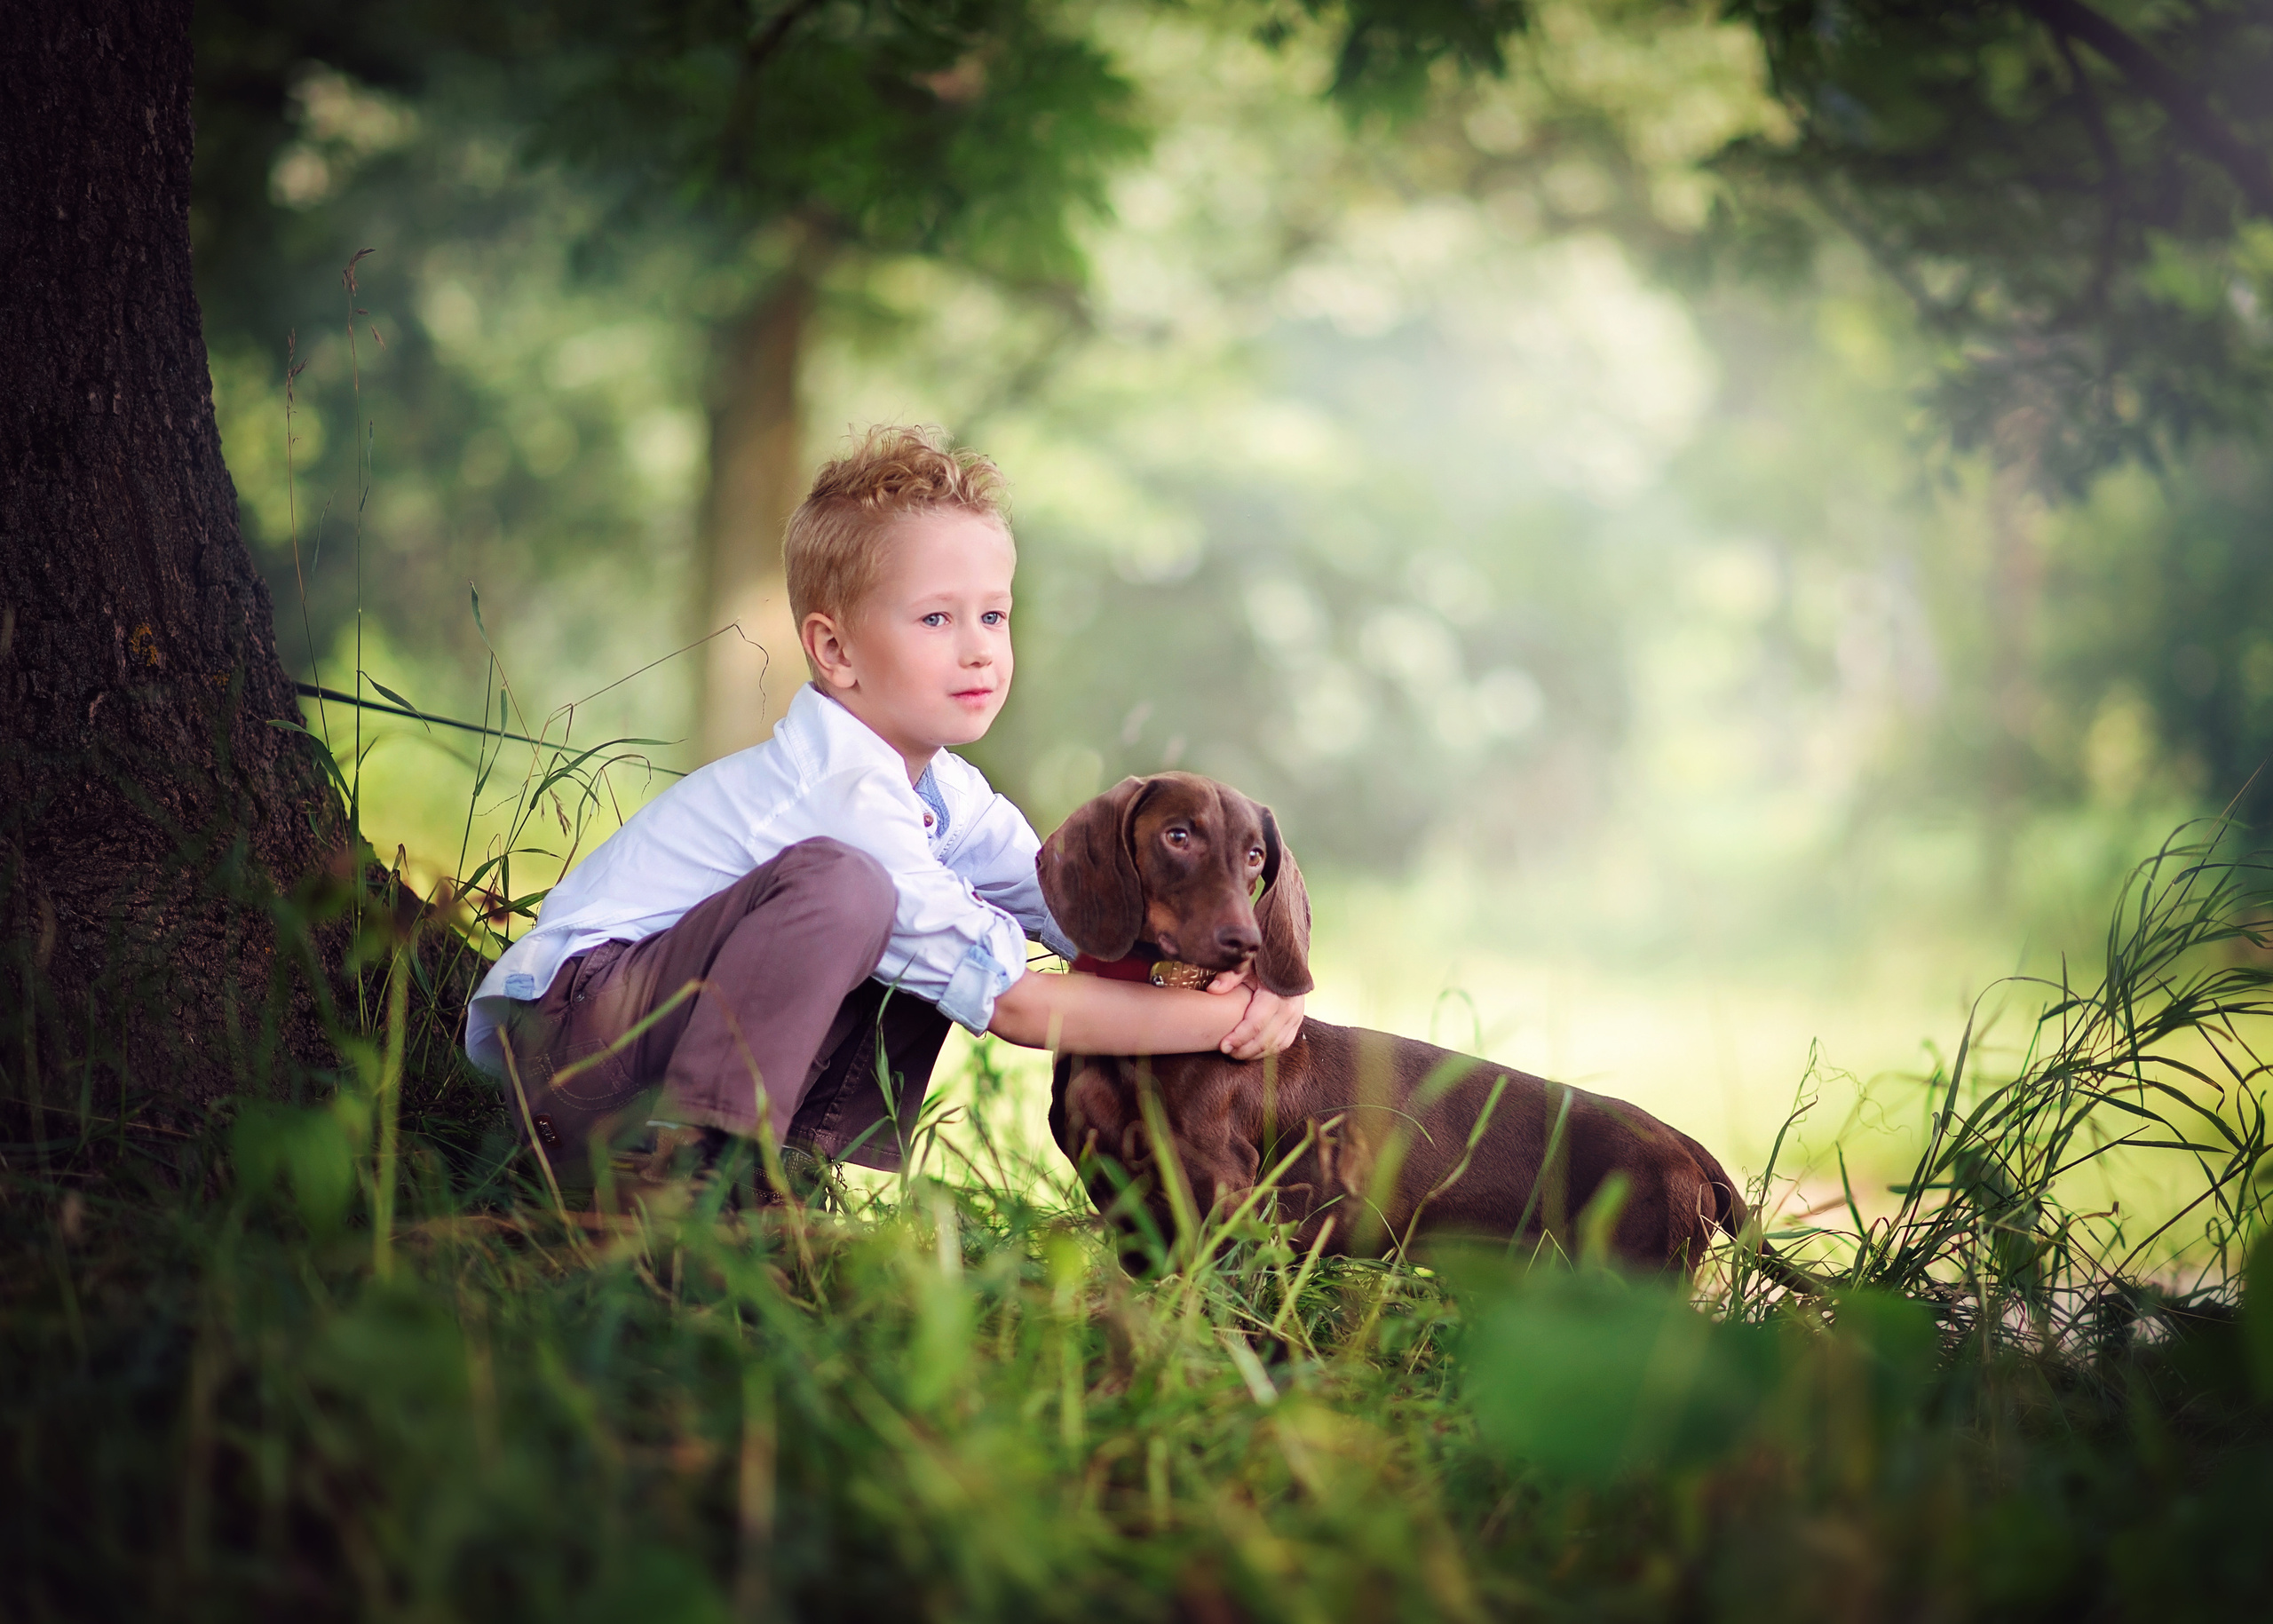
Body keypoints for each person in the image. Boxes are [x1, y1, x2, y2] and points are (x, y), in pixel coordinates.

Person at [463, 424, 1304, 1199]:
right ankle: (699, 1177)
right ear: (834, 651)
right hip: (575, 1043)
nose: (978, 645)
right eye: (937, 617)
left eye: (994, 615)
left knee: (922, 914)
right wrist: (1229, 1019)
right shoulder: (842, 794)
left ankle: (770, 1171)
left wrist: (1257, 976)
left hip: (636, 1043)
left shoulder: (946, 791)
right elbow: (1010, 1003)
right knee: (854, 890)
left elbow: (1079, 914)